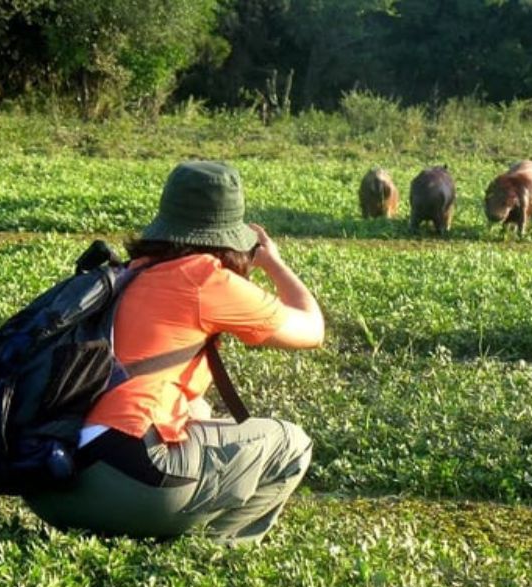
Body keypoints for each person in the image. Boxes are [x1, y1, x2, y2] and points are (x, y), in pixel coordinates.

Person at [23, 160, 325, 544]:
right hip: (124, 484)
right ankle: (219, 547)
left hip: (51, 484)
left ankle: (145, 521)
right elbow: (312, 329)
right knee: (291, 443)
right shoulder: (203, 278)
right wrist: (274, 263)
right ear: (231, 235)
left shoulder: (128, 272)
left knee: (197, 411)